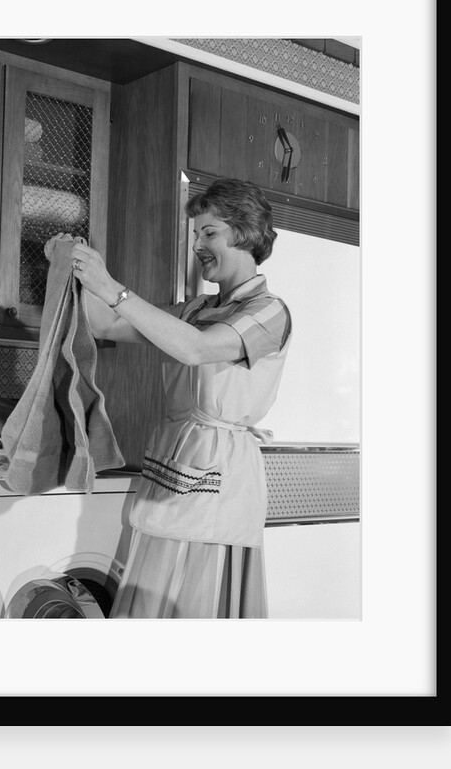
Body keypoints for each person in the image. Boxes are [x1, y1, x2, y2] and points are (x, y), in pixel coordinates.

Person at [69, 177, 292, 619]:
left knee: (193, 603)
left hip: (220, 475)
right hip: (174, 462)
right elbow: (107, 325)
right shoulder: (195, 309)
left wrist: (110, 286)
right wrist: (78, 268)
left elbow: (196, 348)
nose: (197, 245)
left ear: (245, 232)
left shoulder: (270, 311)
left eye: (209, 233)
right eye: (196, 234)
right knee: (155, 593)